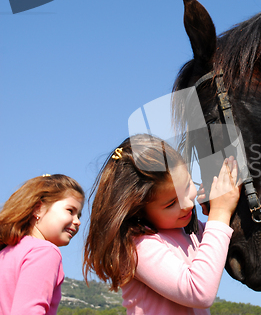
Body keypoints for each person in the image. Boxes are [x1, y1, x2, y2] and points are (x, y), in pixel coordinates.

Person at [83, 134, 241, 315]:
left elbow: (216, 247)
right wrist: (219, 213)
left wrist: (216, 207)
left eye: (188, 185)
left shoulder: (184, 228)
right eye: (171, 203)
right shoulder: (139, 246)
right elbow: (199, 292)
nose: (188, 204)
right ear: (138, 210)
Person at [0, 174, 84, 315]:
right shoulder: (44, 251)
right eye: (70, 211)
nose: (77, 221)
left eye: (79, 215)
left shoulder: (6, 252)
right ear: (38, 208)